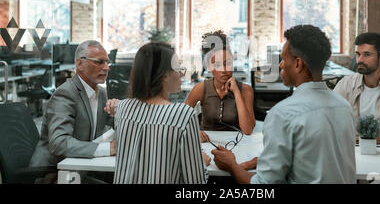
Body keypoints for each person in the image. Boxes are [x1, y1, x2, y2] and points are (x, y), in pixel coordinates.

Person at [212, 25, 356, 184]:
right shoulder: (344, 107)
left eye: (283, 59)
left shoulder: (283, 114)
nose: (280, 65)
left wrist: (232, 165)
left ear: (298, 64)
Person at [112, 42, 211, 184]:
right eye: (178, 68)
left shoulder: (122, 108)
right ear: (164, 75)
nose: (182, 73)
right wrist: (201, 163)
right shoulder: (183, 115)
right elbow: (196, 181)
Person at [30, 40, 117, 168]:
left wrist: (120, 110)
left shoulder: (102, 93)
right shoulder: (65, 93)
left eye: (107, 62)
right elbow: (59, 143)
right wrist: (107, 149)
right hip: (53, 172)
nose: (106, 68)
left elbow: (113, 122)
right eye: (99, 62)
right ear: (80, 63)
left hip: (82, 166)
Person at [185, 30, 255, 141]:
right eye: (217, 65)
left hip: (236, 144)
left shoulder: (246, 90)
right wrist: (195, 132)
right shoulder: (200, 88)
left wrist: (237, 93)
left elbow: (247, 130)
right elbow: (180, 119)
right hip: (206, 145)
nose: (224, 70)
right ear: (209, 66)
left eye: (227, 63)